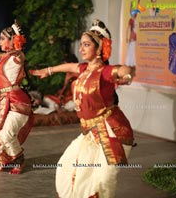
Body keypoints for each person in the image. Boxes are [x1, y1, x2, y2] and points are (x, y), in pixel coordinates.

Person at [30, 19, 135, 198]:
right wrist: (48, 70)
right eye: (82, 45)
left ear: (100, 47)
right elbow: (69, 66)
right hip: (89, 132)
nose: (81, 49)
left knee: (103, 179)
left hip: (112, 132)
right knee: (68, 168)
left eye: (86, 45)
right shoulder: (84, 68)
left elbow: (124, 70)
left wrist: (128, 73)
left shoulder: (106, 72)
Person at [0, 20, 34, 174]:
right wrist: (0, 54)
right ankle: (6, 159)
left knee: (6, 134)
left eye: (2, 38)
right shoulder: (7, 57)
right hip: (5, 100)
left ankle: (19, 160)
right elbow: (8, 55)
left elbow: (19, 56)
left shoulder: (17, 56)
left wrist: (18, 39)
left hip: (18, 101)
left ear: (12, 40)